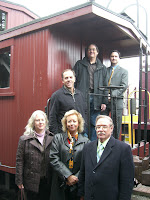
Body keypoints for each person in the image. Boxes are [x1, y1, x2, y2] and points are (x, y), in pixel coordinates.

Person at [78, 115, 134, 200]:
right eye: (98, 127)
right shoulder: (87, 147)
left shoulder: (123, 149)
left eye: (104, 127)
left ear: (111, 128)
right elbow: (82, 173)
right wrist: (81, 194)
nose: (101, 130)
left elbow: (127, 181)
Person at [49, 109, 90, 200]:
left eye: (74, 121)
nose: (72, 124)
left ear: (78, 123)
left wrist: (75, 178)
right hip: (60, 183)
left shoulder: (86, 141)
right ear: (65, 124)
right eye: (69, 121)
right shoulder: (58, 138)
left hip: (78, 185)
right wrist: (68, 176)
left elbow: (88, 163)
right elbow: (53, 158)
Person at [15, 110, 54, 200]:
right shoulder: (24, 140)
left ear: (46, 122)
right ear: (33, 122)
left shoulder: (52, 138)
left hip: (47, 180)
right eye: (37, 120)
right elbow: (19, 161)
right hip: (30, 181)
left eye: (42, 120)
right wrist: (19, 181)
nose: (40, 122)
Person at [73, 44, 108, 141]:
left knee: (94, 121)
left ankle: (92, 143)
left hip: (97, 97)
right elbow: (74, 81)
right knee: (82, 121)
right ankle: (83, 143)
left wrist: (104, 101)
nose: (91, 51)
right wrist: (74, 96)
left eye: (93, 49)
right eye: (89, 50)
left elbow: (105, 85)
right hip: (83, 96)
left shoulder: (102, 67)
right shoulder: (79, 64)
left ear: (97, 52)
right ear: (87, 52)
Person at [49, 69, 86, 134]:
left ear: (74, 79)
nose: (69, 80)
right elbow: (52, 117)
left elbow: (85, 113)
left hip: (80, 134)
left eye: (71, 77)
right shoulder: (57, 96)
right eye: (66, 78)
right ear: (62, 81)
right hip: (64, 135)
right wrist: (56, 135)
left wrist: (84, 129)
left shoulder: (80, 95)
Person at [107, 50, 128, 138]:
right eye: (112, 56)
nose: (114, 58)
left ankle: (114, 143)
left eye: (116, 56)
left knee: (116, 122)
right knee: (104, 121)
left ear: (119, 58)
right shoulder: (105, 70)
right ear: (110, 58)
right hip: (105, 99)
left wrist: (112, 95)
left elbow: (124, 86)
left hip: (117, 100)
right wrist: (106, 95)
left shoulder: (124, 71)